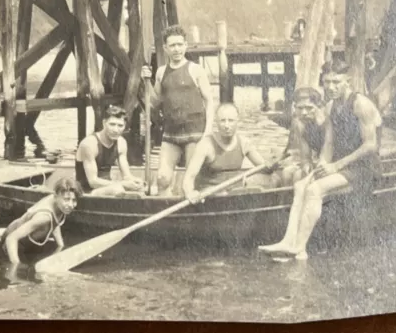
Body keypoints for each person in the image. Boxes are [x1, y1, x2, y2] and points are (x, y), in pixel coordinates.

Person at [259, 60, 382, 260]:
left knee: (315, 189)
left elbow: (370, 145)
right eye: (327, 82)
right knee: (301, 185)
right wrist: (323, 164)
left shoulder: (361, 104)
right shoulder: (332, 105)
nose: (331, 87)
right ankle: (288, 241)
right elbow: (330, 144)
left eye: (336, 81)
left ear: (348, 80)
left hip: (364, 168)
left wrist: (335, 166)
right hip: (341, 167)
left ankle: (299, 247)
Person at [142, 25, 214, 195]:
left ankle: (188, 214)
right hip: (171, 133)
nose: (177, 49)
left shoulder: (195, 70)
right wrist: (146, 81)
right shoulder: (161, 72)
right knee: (162, 179)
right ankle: (163, 210)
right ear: (165, 48)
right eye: (172, 45)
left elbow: (209, 101)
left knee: (190, 181)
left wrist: (208, 131)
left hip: (194, 133)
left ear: (185, 45)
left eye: (180, 44)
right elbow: (154, 101)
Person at [182, 103, 271, 203]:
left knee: (274, 179)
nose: (227, 126)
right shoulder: (205, 145)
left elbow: (265, 168)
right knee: (222, 195)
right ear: (216, 122)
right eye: (222, 121)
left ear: (238, 121)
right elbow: (188, 178)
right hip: (210, 195)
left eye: (231, 120)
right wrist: (190, 193)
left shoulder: (244, 143)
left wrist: (274, 163)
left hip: (235, 194)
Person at [2, 177, 81, 265]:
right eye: (66, 199)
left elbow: (55, 222)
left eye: (74, 200)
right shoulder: (44, 217)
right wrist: (16, 267)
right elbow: (11, 238)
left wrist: (60, 247)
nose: (70, 205)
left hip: (24, 237)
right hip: (11, 244)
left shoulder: (60, 203)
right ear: (56, 196)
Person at [75, 104, 144, 196]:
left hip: (108, 187)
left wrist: (135, 182)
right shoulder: (89, 144)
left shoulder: (121, 143)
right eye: (112, 124)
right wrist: (122, 184)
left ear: (125, 126)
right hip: (86, 192)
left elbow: (126, 176)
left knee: (141, 187)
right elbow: (93, 181)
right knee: (118, 188)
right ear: (104, 123)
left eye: (120, 126)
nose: (116, 130)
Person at [275, 87, 326, 186]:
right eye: (300, 108)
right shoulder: (300, 123)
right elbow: (305, 157)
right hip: (313, 160)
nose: (304, 113)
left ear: (318, 106)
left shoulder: (325, 123)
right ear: (294, 107)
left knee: (298, 176)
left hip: (330, 163)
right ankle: (288, 200)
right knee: (286, 173)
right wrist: (306, 164)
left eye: (309, 108)